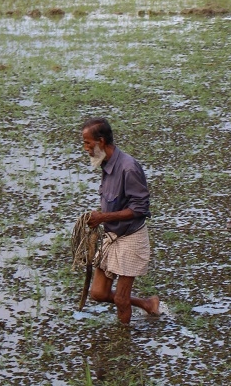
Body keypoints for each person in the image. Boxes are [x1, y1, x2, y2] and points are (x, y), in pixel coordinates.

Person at [81, 117, 160, 324]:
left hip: (130, 238)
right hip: (112, 236)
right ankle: (147, 303)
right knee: (98, 293)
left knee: (121, 298)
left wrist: (102, 217)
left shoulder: (128, 167)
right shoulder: (106, 164)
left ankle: (123, 343)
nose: (85, 148)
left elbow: (140, 209)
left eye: (88, 143)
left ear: (101, 141)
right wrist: (98, 217)